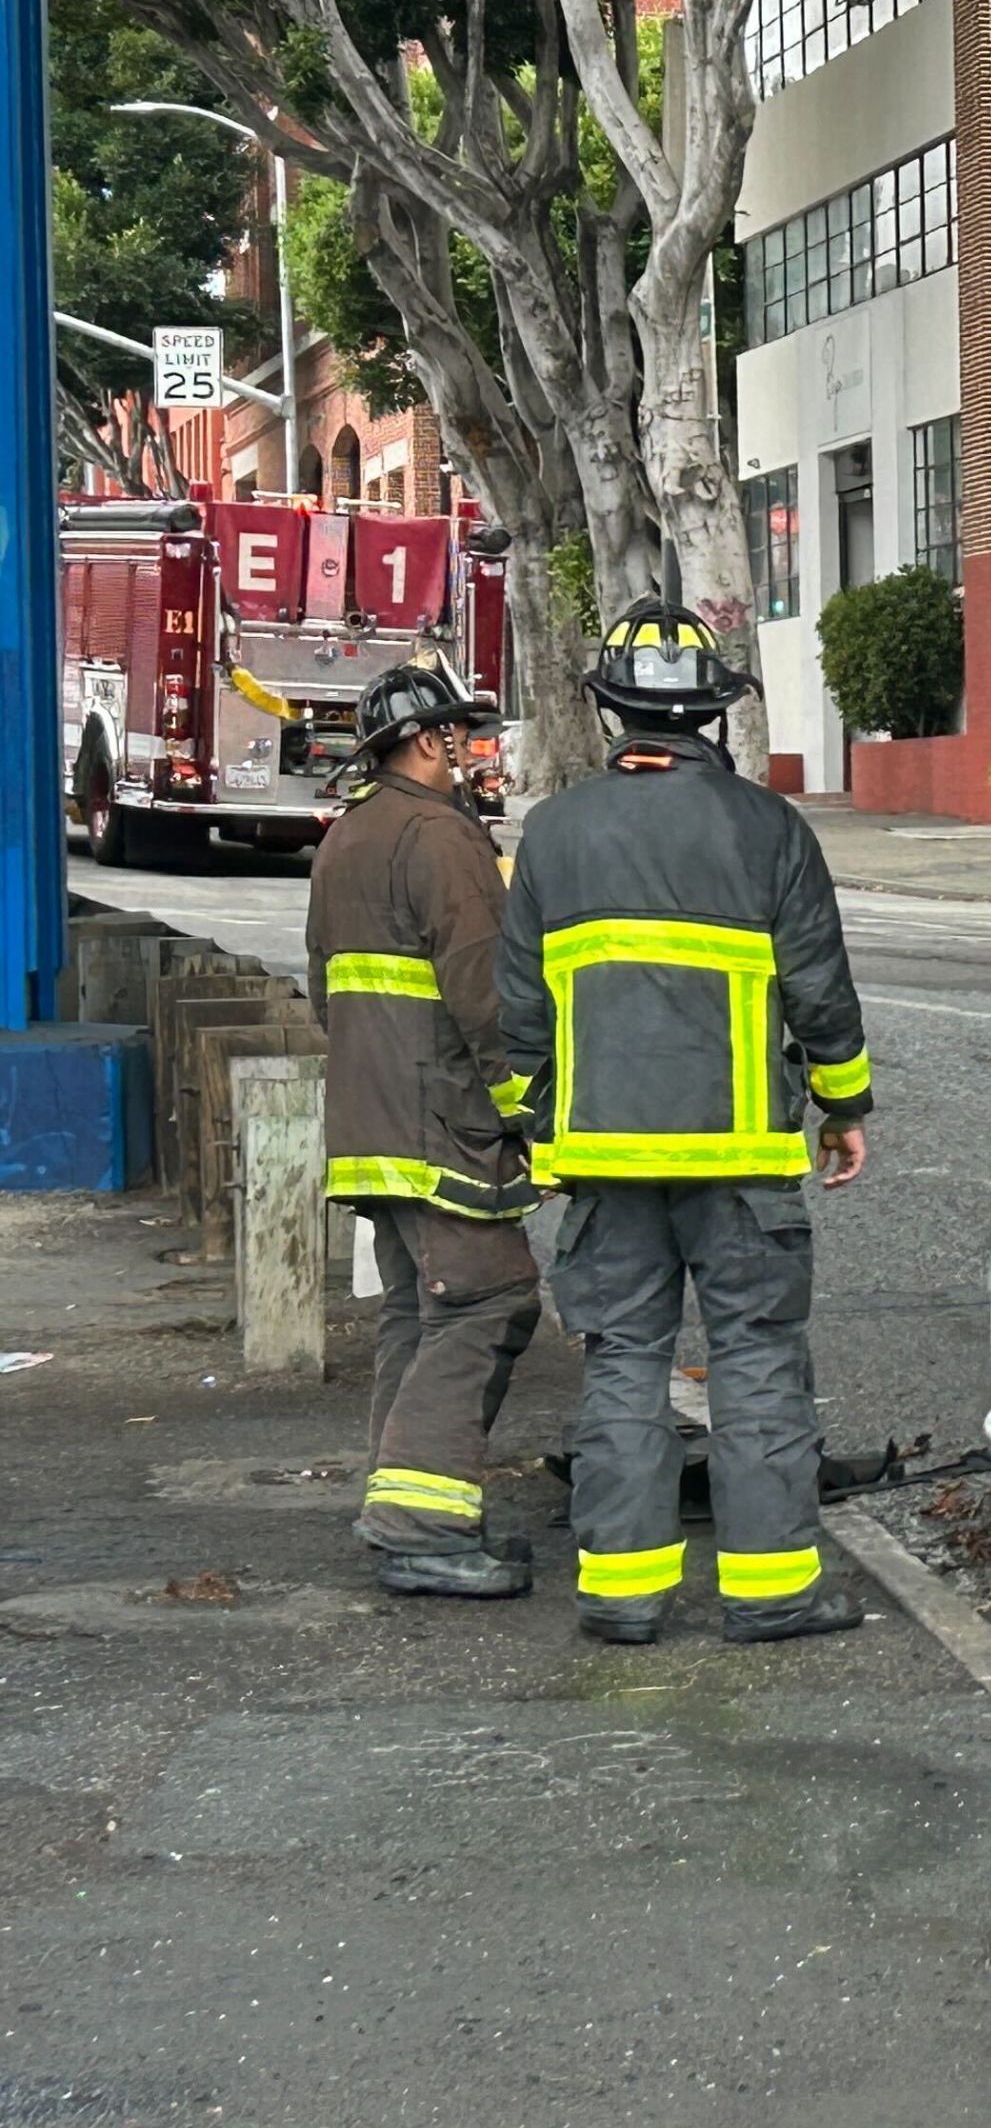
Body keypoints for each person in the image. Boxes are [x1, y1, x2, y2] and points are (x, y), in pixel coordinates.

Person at [500, 613, 876, 1647]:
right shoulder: (770, 830)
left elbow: (519, 1015)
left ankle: (622, 1593)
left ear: (611, 706)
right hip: (743, 1159)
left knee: (623, 1360)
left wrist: (531, 1131)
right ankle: (769, 1594)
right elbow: (821, 994)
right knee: (756, 1359)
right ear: (716, 708)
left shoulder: (553, 833)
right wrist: (844, 1109)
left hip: (604, 1162)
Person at [306, 659, 541, 1600]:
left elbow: (328, 991)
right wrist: (532, 1110)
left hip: (371, 1122)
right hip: (438, 1121)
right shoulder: (443, 839)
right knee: (489, 1300)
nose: (468, 745)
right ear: (420, 741)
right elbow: (489, 997)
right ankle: (419, 1526)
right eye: (455, 732)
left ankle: (407, 1503)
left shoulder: (348, 836)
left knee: (419, 1311)